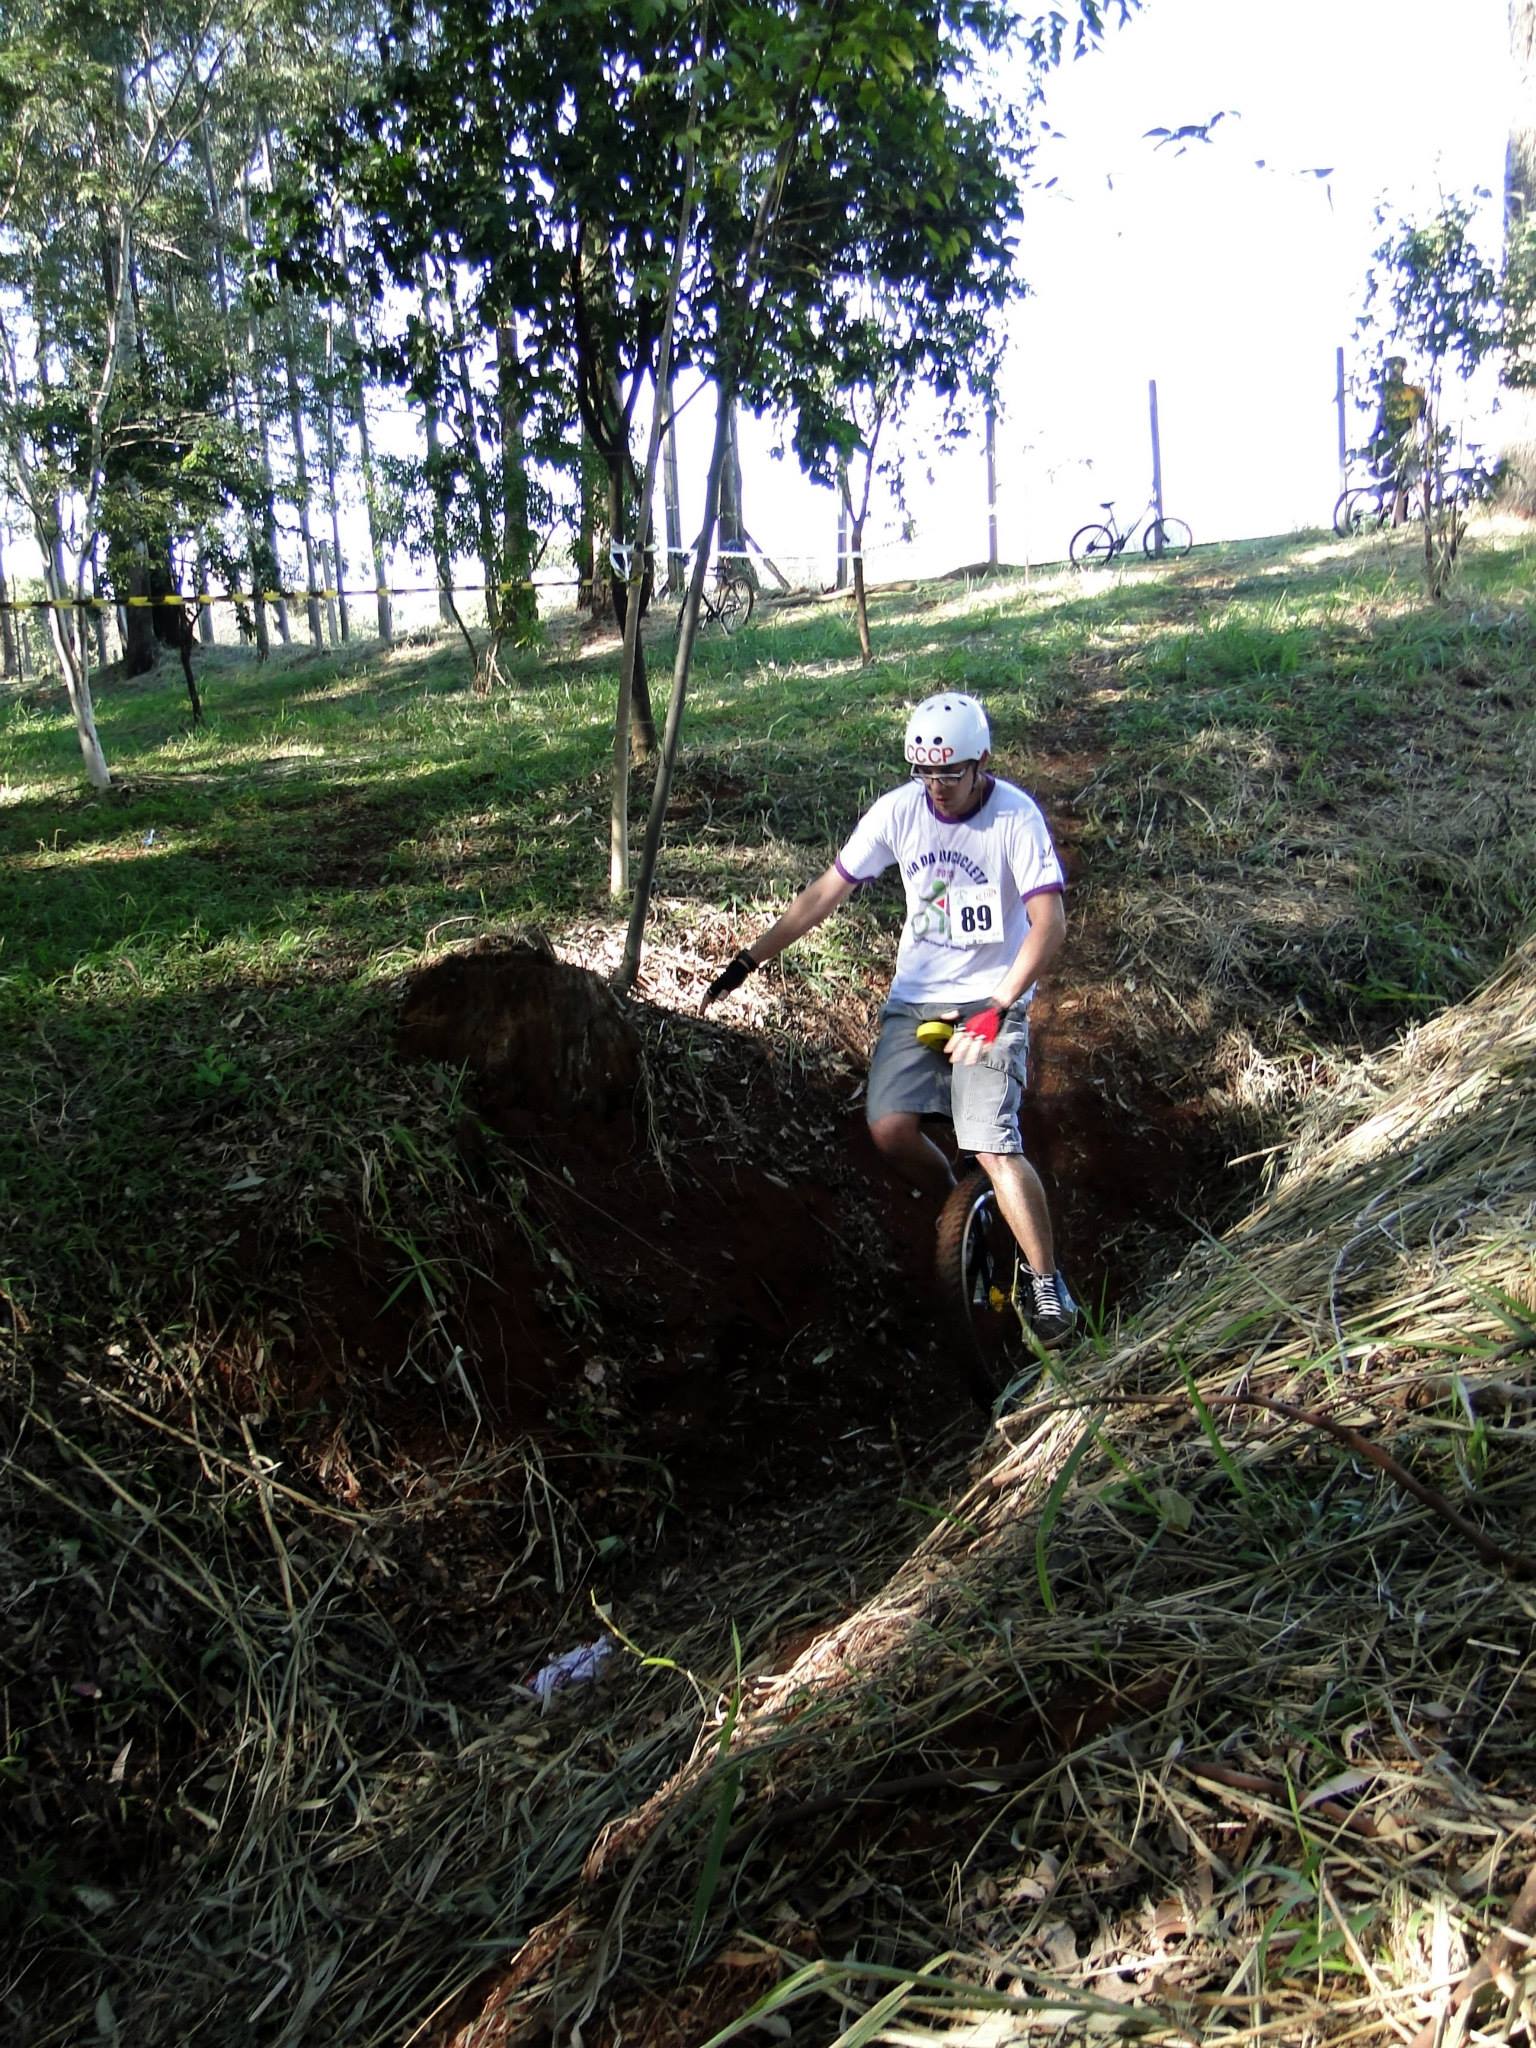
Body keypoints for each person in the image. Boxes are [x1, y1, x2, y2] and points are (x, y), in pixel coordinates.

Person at [700, 691, 1075, 1347]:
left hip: (993, 995)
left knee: (992, 1141)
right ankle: (959, 1204)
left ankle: (1048, 1283)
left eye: (950, 773)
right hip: (917, 995)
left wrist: (998, 1006)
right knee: (889, 1130)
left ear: (981, 762)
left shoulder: (1015, 816)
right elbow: (826, 891)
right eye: (924, 773)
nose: (937, 788)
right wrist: (748, 959)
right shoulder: (899, 811)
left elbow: (1050, 924)